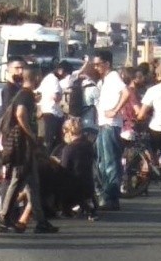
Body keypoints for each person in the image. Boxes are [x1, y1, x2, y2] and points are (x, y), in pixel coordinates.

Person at [0, 67, 59, 234]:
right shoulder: (25, 95)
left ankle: (41, 222)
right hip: (21, 146)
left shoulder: (25, 94)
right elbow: (20, 113)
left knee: (33, 184)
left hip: (27, 147)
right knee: (17, 180)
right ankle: (4, 217)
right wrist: (30, 134)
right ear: (36, 77)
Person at [93, 50, 129, 211]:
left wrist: (115, 110)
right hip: (103, 124)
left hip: (111, 124)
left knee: (110, 162)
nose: (96, 67)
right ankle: (106, 193)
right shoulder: (105, 80)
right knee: (102, 161)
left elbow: (126, 93)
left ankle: (112, 197)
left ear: (107, 63)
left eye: (98, 64)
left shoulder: (114, 77)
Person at [60, 117, 98, 221]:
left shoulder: (69, 149)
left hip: (74, 187)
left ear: (68, 132)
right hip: (89, 185)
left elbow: (64, 169)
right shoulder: (89, 145)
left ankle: (64, 208)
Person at [37, 60, 73, 155]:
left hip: (47, 111)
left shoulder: (48, 78)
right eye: (66, 74)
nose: (65, 77)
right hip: (52, 113)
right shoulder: (54, 80)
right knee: (53, 140)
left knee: (49, 139)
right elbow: (56, 97)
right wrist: (62, 96)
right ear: (61, 71)